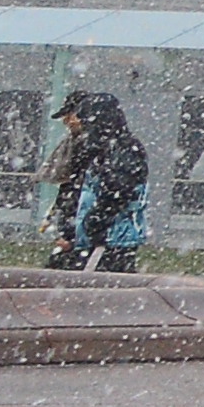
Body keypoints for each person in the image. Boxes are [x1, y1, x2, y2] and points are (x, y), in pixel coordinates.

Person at [43, 91, 151, 272]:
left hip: (108, 240)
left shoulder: (118, 148)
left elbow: (118, 191)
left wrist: (93, 224)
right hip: (99, 238)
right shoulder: (106, 148)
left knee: (95, 288)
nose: (82, 125)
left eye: (86, 120)